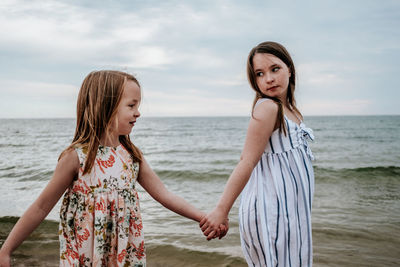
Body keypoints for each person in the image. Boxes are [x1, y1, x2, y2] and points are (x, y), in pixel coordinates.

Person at [0, 70, 227, 266]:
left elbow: (165, 195)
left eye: (137, 105)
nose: (138, 112)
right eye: (131, 105)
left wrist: (204, 217)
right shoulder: (77, 157)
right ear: (105, 106)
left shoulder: (131, 156)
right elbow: (41, 207)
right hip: (84, 254)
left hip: (124, 254)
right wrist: (6, 249)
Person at [200, 41, 315, 266]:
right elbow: (247, 161)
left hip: (292, 212)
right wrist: (222, 210)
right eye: (260, 74)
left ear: (289, 69)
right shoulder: (268, 108)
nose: (269, 79)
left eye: (275, 69)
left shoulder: (291, 111)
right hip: (271, 212)